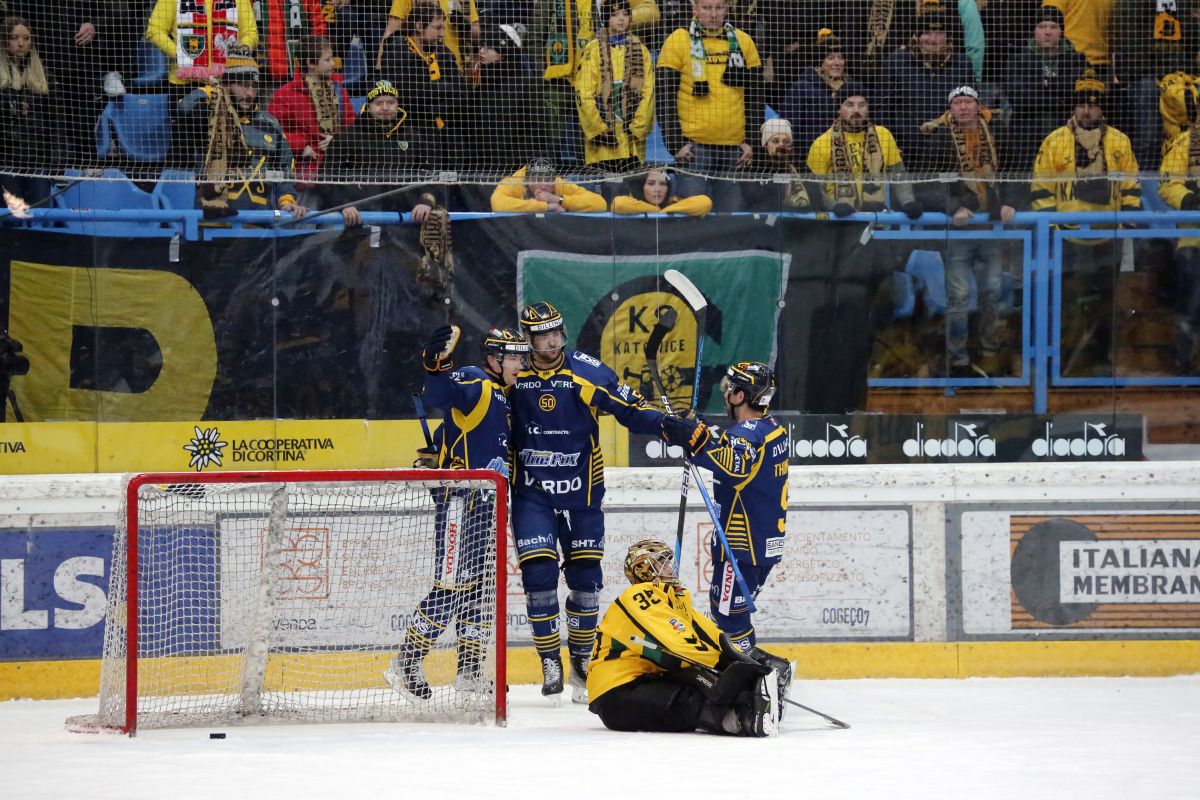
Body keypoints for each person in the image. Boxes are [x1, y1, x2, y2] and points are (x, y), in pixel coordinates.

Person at [509, 301, 667, 702]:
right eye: (542, 336)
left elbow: (631, 409)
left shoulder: (587, 370)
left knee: (584, 582)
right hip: (533, 495)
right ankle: (549, 660)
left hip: (582, 495)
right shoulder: (514, 377)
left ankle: (581, 661)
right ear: (528, 340)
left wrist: (669, 425)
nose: (551, 342)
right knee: (539, 577)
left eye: (556, 333)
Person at [385, 324, 529, 698]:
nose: (520, 363)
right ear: (494, 358)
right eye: (513, 357)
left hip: (489, 507)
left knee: (478, 591)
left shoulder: (504, 395)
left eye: (520, 357)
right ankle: (407, 660)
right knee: (451, 587)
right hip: (460, 504)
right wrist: (437, 364)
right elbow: (441, 393)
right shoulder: (477, 380)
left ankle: (468, 670)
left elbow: (457, 431)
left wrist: (437, 448)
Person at [587, 539, 790, 736]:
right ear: (644, 569)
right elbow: (679, 644)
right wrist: (727, 666)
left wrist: (748, 660)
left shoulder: (674, 599)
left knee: (700, 681)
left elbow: (711, 636)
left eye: (669, 561)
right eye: (662, 562)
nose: (670, 567)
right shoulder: (638, 595)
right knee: (690, 698)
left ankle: (754, 705)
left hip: (645, 680)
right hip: (615, 694)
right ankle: (742, 720)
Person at [658, 361, 788, 652]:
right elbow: (736, 450)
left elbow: (735, 466)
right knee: (731, 617)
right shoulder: (772, 429)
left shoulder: (744, 435)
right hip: (764, 543)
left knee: (728, 619)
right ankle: (750, 678)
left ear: (740, 396)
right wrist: (699, 430)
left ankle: (754, 679)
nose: (725, 394)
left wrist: (695, 439)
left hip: (741, 547)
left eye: (729, 389)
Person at [1032, 69, 1141, 376]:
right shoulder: (1055, 141)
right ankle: (1065, 361)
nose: (1087, 110)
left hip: (1109, 237)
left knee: (1106, 303)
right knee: (1069, 302)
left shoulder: (1119, 141)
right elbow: (1041, 188)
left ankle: (1099, 359)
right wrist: (1050, 230)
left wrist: (1127, 224)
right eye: (1082, 104)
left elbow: (1132, 187)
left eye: (1093, 104)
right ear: (1073, 107)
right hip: (1068, 239)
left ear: (1101, 108)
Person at [916, 85, 1018, 377]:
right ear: (950, 109)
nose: (962, 108)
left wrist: (1008, 201)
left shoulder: (997, 132)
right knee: (958, 297)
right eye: (957, 103)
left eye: (967, 102)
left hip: (991, 227)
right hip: (958, 232)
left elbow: (1012, 171)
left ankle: (989, 353)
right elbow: (928, 185)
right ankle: (956, 358)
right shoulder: (938, 138)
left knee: (993, 291)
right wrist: (954, 207)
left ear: (977, 106)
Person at [655, 0, 764, 211]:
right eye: (707, 8)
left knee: (730, 217)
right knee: (695, 216)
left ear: (726, 9)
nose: (713, 14)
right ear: (695, 8)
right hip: (694, 149)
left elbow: (756, 98)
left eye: (719, 7)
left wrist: (751, 141)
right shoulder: (677, 40)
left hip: (733, 149)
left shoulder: (744, 42)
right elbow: (664, 96)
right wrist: (675, 143)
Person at [178, 44, 309, 219]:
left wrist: (286, 200)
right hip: (211, 226)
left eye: (253, 86)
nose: (249, 93)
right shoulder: (207, 116)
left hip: (259, 228)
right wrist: (213, 91)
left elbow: (283, 170)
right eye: (242, 85)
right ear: (227, 84)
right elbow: (184, 108)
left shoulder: (270, 124)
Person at [146, 0, 260, 164]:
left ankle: (224, 188)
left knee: (225, 148)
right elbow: (154, 30)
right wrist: (181, 56)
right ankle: (181, 187)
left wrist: (234, 58)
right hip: (184, 84)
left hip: (226, 84)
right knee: (183, 150)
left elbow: (250, 33)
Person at [317, 78, 436, 226]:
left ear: (398, 105)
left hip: (405, 221)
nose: (385, 108)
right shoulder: (346, 137)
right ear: (368, 106)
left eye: (390, 102)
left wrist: (425, 201)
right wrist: (343, 204)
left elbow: (430, 174)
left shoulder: (413, 137)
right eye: (378, 103)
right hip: (359, 222)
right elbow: (326, 179)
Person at [806, 83, 922, 220]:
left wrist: (908, 201)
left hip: (878, 217)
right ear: (839, 109)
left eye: (861, 105)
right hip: (839, 220)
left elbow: (898, 174)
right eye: (849, 105)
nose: (856, 110)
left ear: (867, 109)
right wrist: (834, 206)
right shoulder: (821, 143)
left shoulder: (883, 135)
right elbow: (814, 187)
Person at [379, 1, 472, 171]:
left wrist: (432, 96)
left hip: (444, 134)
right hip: (411, 133)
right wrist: (444, 90)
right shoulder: (397, 51)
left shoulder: (444, 53)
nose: (442, 34)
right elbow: (406, 96)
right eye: (437, 28)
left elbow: (462, 94)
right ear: (419, 26)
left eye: (442, 28)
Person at [878, 1, 974, 164]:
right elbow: (883, 110)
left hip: (953, 151)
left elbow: (971, 107)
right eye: (927, 32)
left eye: (939, 32)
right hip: (906, 152)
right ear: (917, 35)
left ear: (947, 35)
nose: (933, 39)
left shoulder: (962, 64)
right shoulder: (895, 63)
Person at [1002, 5, 1087, 172]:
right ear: (1034, 31)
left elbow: (1077, 96)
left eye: (1053, 27)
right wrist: (1058, 91)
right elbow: (1018, 99)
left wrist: (1042, 86)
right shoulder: (1017, 60)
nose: (1047, 32)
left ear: (1061, 31)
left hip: (1068, 135)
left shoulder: (1077, 59)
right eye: (1042, 26)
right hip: (1026, 138)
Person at [574, 0, 655, 173]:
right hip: (603, 147)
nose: (621, 19)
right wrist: (599, 130)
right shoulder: (593, 50)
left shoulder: (641, 51)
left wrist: (638, 127)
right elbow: (584, 93)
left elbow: (648, 94)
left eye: (625, 14)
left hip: (632, 144)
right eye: (614, 15)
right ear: (605, 18)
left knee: (629, 194)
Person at [267, 35, 355, 190]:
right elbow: (272, 133)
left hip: (336, 176)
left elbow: (352, 126)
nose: (333, 64)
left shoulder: (339, 91)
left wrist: (337, 141)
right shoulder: (285, 94)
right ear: (310, 63)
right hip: (303, 178)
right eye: (327, 60)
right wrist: (301, 145)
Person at [1156, 121, 1200, 373]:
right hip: (1193, 241)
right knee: (1191, 308)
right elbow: (1168, 183)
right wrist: (1190, 199)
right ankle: (1183, 365)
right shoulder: (1184, 143)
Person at [0, 17, 56, 207]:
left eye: (26, 38)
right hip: (6, 158)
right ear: (5, 41)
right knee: (11, 217)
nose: (21, 43)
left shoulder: (43, 76)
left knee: (41, 212)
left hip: (38, 158)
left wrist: (57, 157)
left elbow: (55, 119)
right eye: (14, 38)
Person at [777, 28, 853, 156]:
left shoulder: (851, 87)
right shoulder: (800, 88)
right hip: (810, 155)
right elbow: (789, 127)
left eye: (840, 57)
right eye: (830, 58)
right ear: (820, 61)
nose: (837, 63)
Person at [740, 117, 815, 212]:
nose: (781, 145)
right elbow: (758, 201)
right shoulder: (753, 167)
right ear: (765, 144)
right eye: (775, 141)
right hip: (765, 222)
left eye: (786, 142)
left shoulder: (800, 166)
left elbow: (815, 197)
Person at [490, 157, 607, 212]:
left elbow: (600, 204)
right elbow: (497, 203)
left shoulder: (558, 183)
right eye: (538, 179)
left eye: (548, 179)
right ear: (527, 180)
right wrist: (545, 207)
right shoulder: (515, 181)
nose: (544, 186)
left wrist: (560, 200)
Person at [610, 166, 712, 215]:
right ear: (640, 187)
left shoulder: (673, 202)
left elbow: (705, 203)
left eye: (663, 184)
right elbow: (619, 204)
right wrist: (656, 211)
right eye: (651, 184)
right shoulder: (629, 201)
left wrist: (665, 211)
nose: (658, 189)